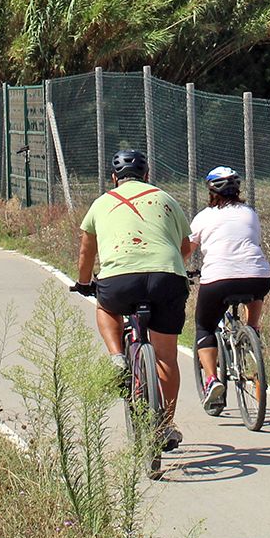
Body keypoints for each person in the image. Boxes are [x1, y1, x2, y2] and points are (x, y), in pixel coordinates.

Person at [71, 148, 192, 449]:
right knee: (166, 357)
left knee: (104, 304)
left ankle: (116, 357)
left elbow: (87, 250)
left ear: (114, 179)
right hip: (168, 278)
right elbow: (185, 247)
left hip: (120, 280)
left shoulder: (101, 203)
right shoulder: (165, 198)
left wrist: (85, 282)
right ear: (147, 176)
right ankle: (165, 426)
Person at [189, 165, 270, 415]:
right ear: (238, 189)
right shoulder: (250, 213)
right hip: (257, 277)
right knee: (256, 285)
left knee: (205, 327)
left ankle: (212, 380)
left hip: (218, 280)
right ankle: (253, 329)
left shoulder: (203, 217)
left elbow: (188, 248)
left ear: (210, 191)